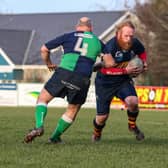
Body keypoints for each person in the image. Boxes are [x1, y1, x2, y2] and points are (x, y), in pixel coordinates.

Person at [24, 17, 114, 143]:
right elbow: (110, 63)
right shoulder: (98, 42)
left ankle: (39, 126)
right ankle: (55, 138)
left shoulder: (69, 36)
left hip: (64, 73)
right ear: (91, 28)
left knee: (43, 99)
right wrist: (98, 66)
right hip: (82, 79)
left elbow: (44, 49)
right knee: (72, 109)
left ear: (78, 26)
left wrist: (49, 63)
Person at [92, 20, 148, 142]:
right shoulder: (110, 47)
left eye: (131, 36)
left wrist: (143, 63)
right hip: (105, 83)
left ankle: (132, 126)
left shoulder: (134, 43)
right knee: (102, 117)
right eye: (126, 36)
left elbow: (142, 51)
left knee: (133, 102)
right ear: (118, 34)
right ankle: (97, 133)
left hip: (122, 81)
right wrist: (125, 71)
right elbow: (106, 70)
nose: (129, 39)